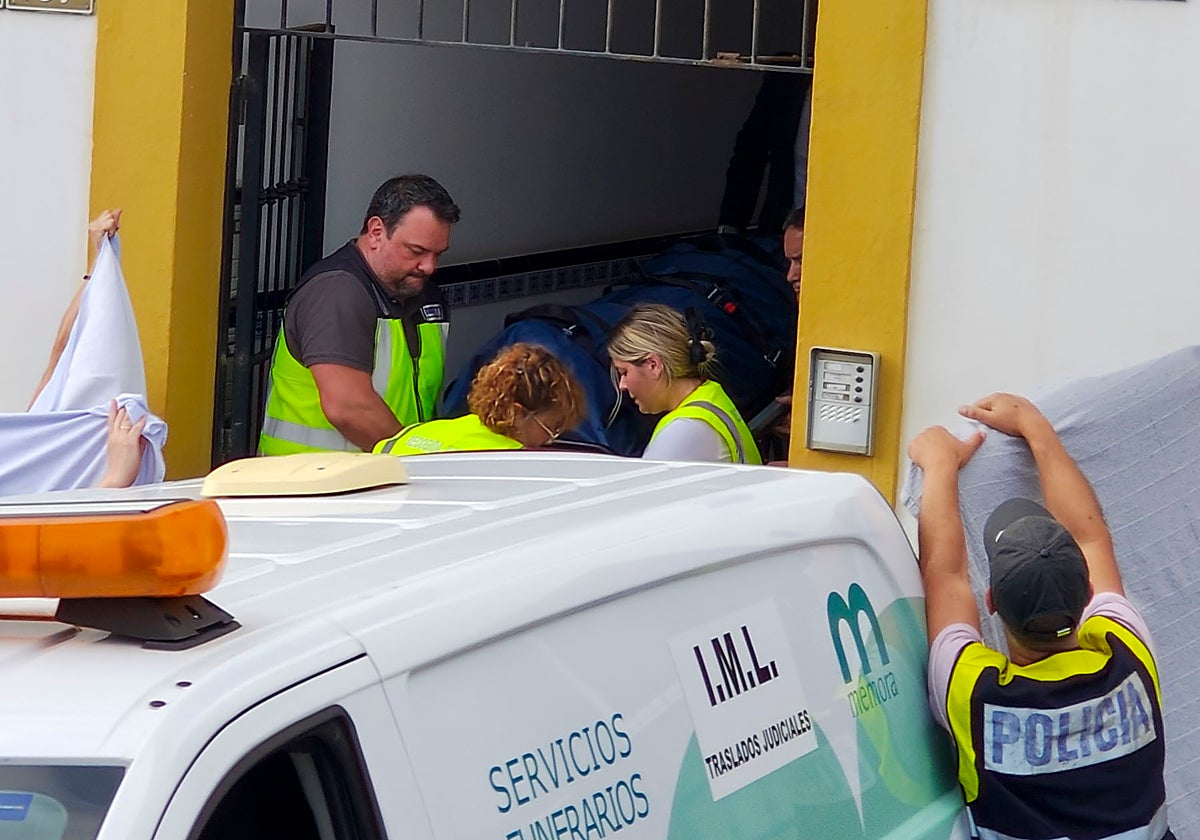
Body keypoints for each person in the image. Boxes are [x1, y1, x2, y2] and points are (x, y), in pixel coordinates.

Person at [908, 393, 1172, 840]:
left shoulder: (974, 692)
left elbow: (945, 575)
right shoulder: (1127, 658)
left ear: (990, 601)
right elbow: (1090, 538)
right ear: (1087, 592)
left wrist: (940, 467)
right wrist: (1035, 427)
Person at [259, 174, 460, 456]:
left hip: (374, 483)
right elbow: (347, 406)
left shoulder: (418, 292)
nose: (429, 266)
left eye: (438, 254)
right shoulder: (337, 292)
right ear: (376, 231)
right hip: (311, 487)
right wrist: (417, 460)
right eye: (416, 251)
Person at [608, 304, 760, 464]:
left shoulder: (683, 430)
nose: (622, 385)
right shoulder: (709, 393)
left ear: (653, 365)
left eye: (623, 372)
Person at [374, 343, 584, 456]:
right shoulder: (516, 463)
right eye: (551, 427)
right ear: (518, 413)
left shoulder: (416, 432)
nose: (550, 440)